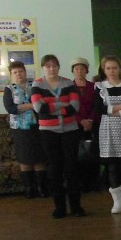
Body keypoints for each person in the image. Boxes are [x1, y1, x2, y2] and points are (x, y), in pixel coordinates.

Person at [31, 55, 84, 218]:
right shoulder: (37, 84)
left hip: (70, 130)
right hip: (48, 131)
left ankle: (76, 207)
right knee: (54, 169)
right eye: (48, 66)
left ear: (59, 67)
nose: (51, 69)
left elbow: (75, 106)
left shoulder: (68, 83)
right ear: (43, 68)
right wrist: (63, 105)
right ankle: (59, 208)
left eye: (54, 66)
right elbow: (39, 108)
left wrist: (51, 107)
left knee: (72, 168)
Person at [3, 60, 47, 199]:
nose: (18, 74)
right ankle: (30, 189)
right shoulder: (9, 89)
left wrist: (25, 106)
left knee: (39, 156)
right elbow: (10, 108)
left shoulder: (35, 85)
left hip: (37, 126)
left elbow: (42, 103)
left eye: (21, 71)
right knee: (25, 158)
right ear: (11, 74)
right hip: (20, 128)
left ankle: (42, 188)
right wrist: (31, 105)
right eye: (15, 72)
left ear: (25, 72)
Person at [96, 55, 121, 214]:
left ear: (120, 69)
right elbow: (100, 109)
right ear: (104, 70)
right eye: (108, 68)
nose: (111, 71)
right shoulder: (99, 87)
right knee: (112, 166)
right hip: (108, 129)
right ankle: (117, 202)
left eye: (114, 68)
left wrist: (114, 110)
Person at [71, 57, 100, 192]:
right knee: (78, 154)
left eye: (82, 69)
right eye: (76, 69)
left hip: (92, 124)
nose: (79, 71)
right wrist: (80, 121)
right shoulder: (69, 87)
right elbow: (69, 107)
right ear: (73, 71)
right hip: (75, 125)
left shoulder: (93, 86)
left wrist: (90, 120)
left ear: (87, 71)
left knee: (93, 153)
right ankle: (81, 183)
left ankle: (94, 182)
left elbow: (97, 105)